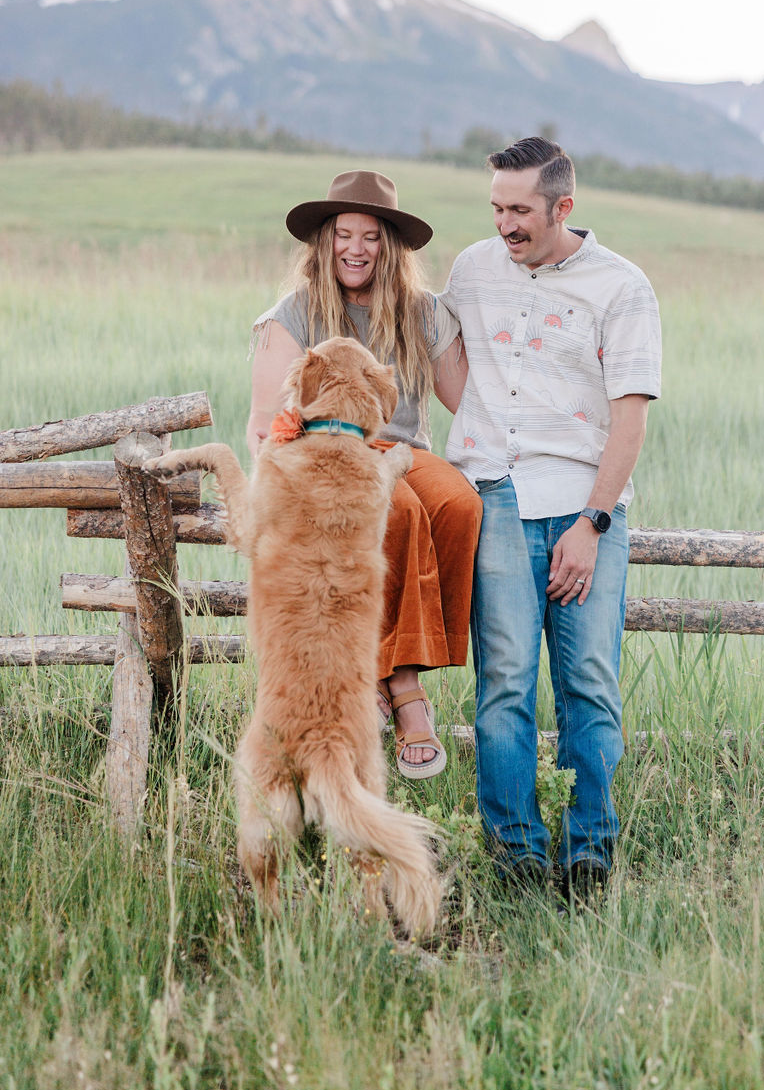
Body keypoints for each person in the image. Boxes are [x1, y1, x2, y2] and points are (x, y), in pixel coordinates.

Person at [440, 137, 661, 897]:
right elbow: (453, 366)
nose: (506, 223)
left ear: (563, 206)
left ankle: (589, 849)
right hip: (496, 496)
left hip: (584, 506)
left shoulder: (622, 288)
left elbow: (629, 420)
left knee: (590, 683)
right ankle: (516, 853)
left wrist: (592, 524)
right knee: (503, 681)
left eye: (521, 210)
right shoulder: (471, 268)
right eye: (497, 206)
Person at [248, 169, 481, 780]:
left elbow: (472, 403)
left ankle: (395, 662)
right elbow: (262, 422)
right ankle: (404, 691)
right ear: (323, 243)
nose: (356, 248)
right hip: (328, 455)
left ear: (391, 246)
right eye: (343, 234)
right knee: (397, 510)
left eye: (371, 236)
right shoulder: (294, 314)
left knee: (459, 506)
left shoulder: (421, 312)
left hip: (403, 448)